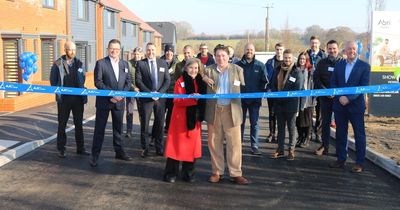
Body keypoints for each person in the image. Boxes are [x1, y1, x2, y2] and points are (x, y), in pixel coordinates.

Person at [202, 44, 249, 185]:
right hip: (214, 110)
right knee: (214, 142)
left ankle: (236, 173)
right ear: (214, 57)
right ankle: (217, 172)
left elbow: (246, 87)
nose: (220, 58)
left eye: (223, 55)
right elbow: (194, 69)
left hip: (232, 110)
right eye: (218, 56)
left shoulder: (237, 70)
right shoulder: (208, 71)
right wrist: (203, 78)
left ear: (229, 56)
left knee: (234, 144)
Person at [329, 41, 370, 173]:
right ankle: (341, 159)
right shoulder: (339, 65)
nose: (351, 51)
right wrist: (339, 97)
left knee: (359, 135)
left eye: (353, 49)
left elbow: (363, 86)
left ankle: (360, 162)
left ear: (357, 50)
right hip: (340, 105)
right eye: (348, 49)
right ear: (345, 51)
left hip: (356, 106)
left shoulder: (364, 66)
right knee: (341, 133)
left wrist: (349, 98)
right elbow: (333, 83)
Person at [163, 58, 206, 183]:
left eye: (196, 68)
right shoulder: (180, 81)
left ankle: (188, 173)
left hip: (194, 120)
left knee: (191, 148)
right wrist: (194, 99)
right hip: (180, 120)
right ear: (186, 68)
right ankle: (171, 173)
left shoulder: (200, 82)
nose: (194, 70)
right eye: (191, 68)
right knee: (175, 147)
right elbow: (177, 100)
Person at [90, 39, 132, 167]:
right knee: (99, 130)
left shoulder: (125, 64)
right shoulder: (101, 63)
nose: (114, 51)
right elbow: (98, 82)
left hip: (119, 102)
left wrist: (121, 95)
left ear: (120, 50)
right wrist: (112, 94)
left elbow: (128, 82)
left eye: (117, 49)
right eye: (112, 48)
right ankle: (95, 156)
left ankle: (119, 152)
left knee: (118, 129)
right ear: (108, 49)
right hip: (104, 102)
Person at [50, 40, 89, 158]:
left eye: (74, 50)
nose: (72, 52)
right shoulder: (57, 64)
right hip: (64, 100)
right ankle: (61, 149)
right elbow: (53, 81)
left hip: (78, 100)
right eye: (70, 49)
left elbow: (83, 79)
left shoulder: (79, 63)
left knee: (79, 124)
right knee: (62, 125)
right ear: (65, 50)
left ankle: (80, 148)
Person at [135, 42, 170, 158]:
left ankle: (159, 148)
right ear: (146, 51)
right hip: (146, 99)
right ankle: (144, 148)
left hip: (160, 99)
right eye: (148, 50)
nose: (151, 52)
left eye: (153, 50)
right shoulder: (140, 64)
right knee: (145, 124)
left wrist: (159, 93)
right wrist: (150, 93)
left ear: (156, 51)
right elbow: (138, 81)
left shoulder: (163, 63)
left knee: (160, 124)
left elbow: (167, 80)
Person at [270, 49, 302, 161]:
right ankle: (280, 149)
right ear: (283, 58)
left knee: (292, 129)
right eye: (285, 57)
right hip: (278, 105)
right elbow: (272, 84)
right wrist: (276, 96)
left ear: (292, 58)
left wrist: (281, 97)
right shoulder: (277, 69)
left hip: (291, 105)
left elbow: (297, 89)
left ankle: (291, 151)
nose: (287, 60)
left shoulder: (297, 72)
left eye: (289, 58)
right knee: (281, 128)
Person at [236, 43, 267, 155]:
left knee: (254, 123)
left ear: (254, 51)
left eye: (251, 50)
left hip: (255, 101)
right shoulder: (237, 65)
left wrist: (260, 94)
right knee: (240, 122)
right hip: (240, 100)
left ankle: (254, 145)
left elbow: (265, 82)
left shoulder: (260, 66)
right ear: (244, 50)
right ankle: (239, 143)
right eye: (247, 49)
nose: (249, 51)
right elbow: (234, 82)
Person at [313, 40, 343, 155]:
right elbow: (316, 78)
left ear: (337, 49)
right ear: (327, 49)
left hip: (339, 99)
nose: (332, 50)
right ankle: (325, 146)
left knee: (340, 124)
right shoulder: (321, 63)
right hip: (325, 99)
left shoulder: (343, 63)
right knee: (325, 123)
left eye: (334, 48)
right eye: (330, 48)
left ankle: (340, 149)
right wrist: (325, 91)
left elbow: (345, 81)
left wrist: (337, 93)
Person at [307, 36, 327, 143]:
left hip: (320, 86)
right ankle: (309, 132)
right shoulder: (306, 55)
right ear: (310, 44)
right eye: (312, 43)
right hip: (309, 87)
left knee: (320, 111)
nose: (314, 45)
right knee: (309, 111)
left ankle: (318, 133)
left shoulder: (324, 56)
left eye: (316, 43)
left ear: (319, 44)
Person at [265, 43, 285, 143]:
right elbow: (265, 77)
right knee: (272, 114)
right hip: (271, 93)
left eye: (281, 49)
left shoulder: (287, 62)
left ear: (283, 50)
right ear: (275, 50)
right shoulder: (269, 62)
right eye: (277, 49)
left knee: (280, 114)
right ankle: (271, 133)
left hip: (282, 93)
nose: (279, 51)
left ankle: (279, 134)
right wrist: (267, 88)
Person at [295, 52, 314, 148]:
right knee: (298, 120)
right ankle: (300, 137)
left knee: (307, 120)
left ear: (307, 60)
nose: (302, 61)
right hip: (297, 100)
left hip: (308, 101)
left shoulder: (311, 70)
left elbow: (314, 84)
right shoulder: (295, 70)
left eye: (304, 59)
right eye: (300, 59)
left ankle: (306, 138)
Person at [125, 47, 143, 139]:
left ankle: (143, 130)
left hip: (141, 92)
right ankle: (129, 131)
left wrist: (141, 88)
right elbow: (126, 78)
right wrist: (133, 87)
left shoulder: (144, 63)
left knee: (142, 112)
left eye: (138, 54)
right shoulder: (128, 63)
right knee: (129, 111)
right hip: (131, 91)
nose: (136, 56)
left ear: (141, 55)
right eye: (135, 54)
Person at [161, 44, 178, 132]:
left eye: (171, 51)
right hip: (162, 92)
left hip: (172, 92)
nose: (169, 53)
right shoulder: (159, 61)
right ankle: (158, 130)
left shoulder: (177, 63)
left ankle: (167, 128)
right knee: (160, 113)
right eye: (167, 51)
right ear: (164, 52)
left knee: (171, 112)